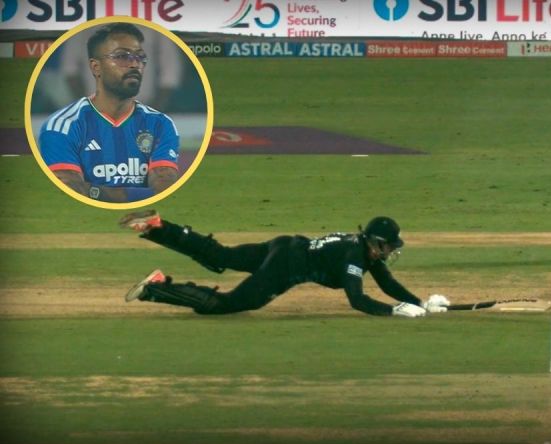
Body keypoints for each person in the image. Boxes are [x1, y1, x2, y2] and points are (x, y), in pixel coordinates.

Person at [119, 210, 450, 317]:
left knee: (221, 256)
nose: (389, 252)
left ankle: (158, 227)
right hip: (287, 266)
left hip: (284, 245)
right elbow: (357, 299)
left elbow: (388, 283)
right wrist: (393, 311)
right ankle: (156, 288)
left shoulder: (362, 249)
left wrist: (420, 302)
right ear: (375, 242)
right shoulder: (354, 257)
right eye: (388, 246)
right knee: (227, 304)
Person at [38, 23, 180, 203]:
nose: (134, 64)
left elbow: (164, 184)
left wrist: (103, 192)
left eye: (140, 57)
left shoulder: (161, 124)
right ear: (96, 67)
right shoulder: (62, 126)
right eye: (122, 57)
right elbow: (70, 188)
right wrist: (130, 195)